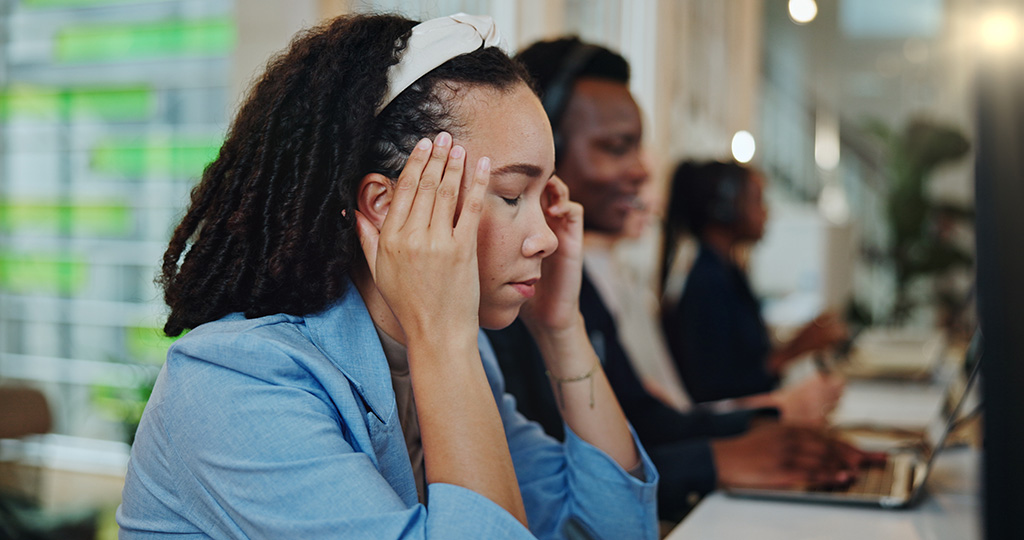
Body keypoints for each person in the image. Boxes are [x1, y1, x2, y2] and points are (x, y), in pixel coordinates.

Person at [116, 14, 658, 539]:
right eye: (513, 196)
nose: (548, 237)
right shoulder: (233, 382)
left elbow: (610, 530)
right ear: (384, 204)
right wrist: (444, 341)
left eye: (545, 198)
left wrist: (561, 329)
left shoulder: (456, 351)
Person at [487, 36, 874, 523]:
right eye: (615, 147)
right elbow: (553, 483)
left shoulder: (566, 288)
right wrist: (721, 457)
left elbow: (636, 424)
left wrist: (760, 426)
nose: (644, 170)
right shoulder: (502, 300)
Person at [661, 160, 849, 404]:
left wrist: (796, 344)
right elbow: (714, 389)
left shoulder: (727, 271)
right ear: (724, 208)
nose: (767, 211)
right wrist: (792, 352)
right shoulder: (706, 282)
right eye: (758, 199)